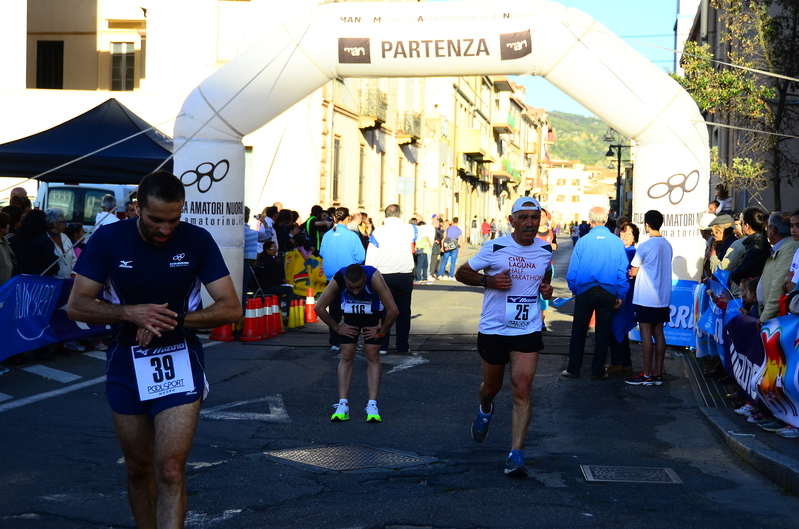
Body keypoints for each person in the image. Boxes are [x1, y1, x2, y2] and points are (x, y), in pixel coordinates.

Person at [66, 170, 242, 529]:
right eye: (156, 220)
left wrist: (171, 319)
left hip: (178, 356)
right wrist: (132, 313)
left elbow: (231, 307)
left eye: (174, 220)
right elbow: (77, 305)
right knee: (137, 467)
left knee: (171, 469)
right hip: (125, 360)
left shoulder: (196, 240)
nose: (165, 229)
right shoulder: (109, 239)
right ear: (137, 208)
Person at [454, 197, 553, 478]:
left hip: (528, 329)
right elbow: (462, 272)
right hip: (494, 330)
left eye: (534, 217)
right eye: (523, 218)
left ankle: (516, 454)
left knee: (522, 388)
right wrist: (489, 281)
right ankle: (485, 408)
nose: (530, 223)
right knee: (492, 388)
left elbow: (544, 275)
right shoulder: (495, 247)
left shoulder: (545, 249)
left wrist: (546, 289)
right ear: (512, 221)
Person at [315, 264, 399, 422]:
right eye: (350, 287)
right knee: (346, 355)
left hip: (372, 313)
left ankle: (372, 406)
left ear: (365, 279)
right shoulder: (339, 278)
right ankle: (343, 405)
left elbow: (393, 311)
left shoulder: (375, 278)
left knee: (373, 356)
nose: (355, 291)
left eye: (359, 287)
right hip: (349, 312)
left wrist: (381, 331)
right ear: (345, 280)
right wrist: (337, 328)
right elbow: (319, 308)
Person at [563, 207, 629, 379]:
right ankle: (597, 371)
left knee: (579, 331)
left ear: (590, 220)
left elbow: (573, 271)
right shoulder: (616, 242)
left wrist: (574, 290)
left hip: (585, 290)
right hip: (608, 291)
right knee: (603, 331)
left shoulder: (583, 241)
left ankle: (573, 369)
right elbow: (623, 271)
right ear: (606, 219)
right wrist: (621, 294)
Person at [625, 210, 673, 386]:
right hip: (663, 297)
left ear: (646, 225)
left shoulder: (645, 246)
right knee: (659, 333)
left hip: (645, 297)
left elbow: (634, 270)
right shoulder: (667, 245)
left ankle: (646, 374)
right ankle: (658, 374)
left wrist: (633, 272)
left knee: (646, 333)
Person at [365, 204, 417, 355]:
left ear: (385, 216)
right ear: (400, 215)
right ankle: (402, 345)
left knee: (384, 311)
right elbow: (424, 231)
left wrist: (369, 279)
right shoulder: (409, 229)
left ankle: (382, 345)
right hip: (404, 275)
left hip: (384, 276)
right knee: (403, 312)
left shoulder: (378, 232)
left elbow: (371, 257)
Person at [320, 207, 367, 351]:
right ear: (347, 219)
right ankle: (349, 339)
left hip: (331, 277)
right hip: (349, 277)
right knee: (350, 310)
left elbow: (322, 253)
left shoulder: (327, 235)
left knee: (334, 310)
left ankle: (335, 341)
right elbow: (361, 257)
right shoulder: (352, 236)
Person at [607, 223, 639, 376]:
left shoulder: (632, 253)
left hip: (624, 295)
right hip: (622, 294)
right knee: (619, 329)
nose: (625, 236)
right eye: (623, 232)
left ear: (635, 237)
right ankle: (624, 362)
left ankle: (618, 362)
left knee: (617, 327)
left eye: (630, 234)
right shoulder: (621, 251)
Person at [758, 211, 799, 322]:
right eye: (791, 226)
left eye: (797, 226)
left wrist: (765, 317)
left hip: (781, 320)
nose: (793, 230)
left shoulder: (791, 248)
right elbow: (785, 283)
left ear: (773, 229)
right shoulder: (792, 249)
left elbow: (781, 288)